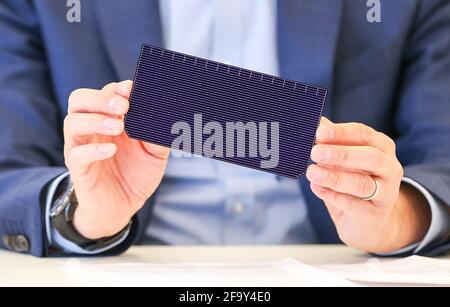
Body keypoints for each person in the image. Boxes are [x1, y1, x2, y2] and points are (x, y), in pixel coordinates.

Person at [0, 0, 449, 257]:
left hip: (340, 266)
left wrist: (396, 218)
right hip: (125, 267)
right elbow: (8, 167)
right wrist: (83, 212)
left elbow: (443, 155)